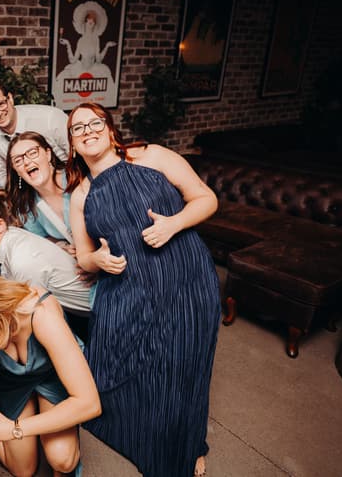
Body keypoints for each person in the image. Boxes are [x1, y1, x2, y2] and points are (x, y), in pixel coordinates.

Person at [66, 102, 220, 477]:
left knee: (183, 367)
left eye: (94, 122)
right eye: (77, 128)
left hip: (185, 279)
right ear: (71, 144)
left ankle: (185, 445)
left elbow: (206, 198)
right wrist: (98, 261)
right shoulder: (81, 194)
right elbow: (84, 256)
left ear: (109, 127)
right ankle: (141, 433)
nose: (87, 130)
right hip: (128, 290)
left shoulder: (151, 156)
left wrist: (174, 223)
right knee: (123, 366)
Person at [0, 275, 101, 477]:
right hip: (9, 380)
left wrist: (13, 429)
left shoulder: (42, 315)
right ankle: (2, 421)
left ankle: (33, 421)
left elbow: (90, 403)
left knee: (62, 459)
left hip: (51, 376)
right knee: (22, 471)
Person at [0, 193, 92, 340]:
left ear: (0, 226)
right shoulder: (9, 239)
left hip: (94, 313)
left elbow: (35, 319)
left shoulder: (22, 260)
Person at [0, 83, 69, 189]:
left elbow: (76, 157)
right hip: (27, 186)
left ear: (10, 99)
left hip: (65, 177)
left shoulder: (51, 117)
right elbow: (2, 176)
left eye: (0, 104)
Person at [5, 132, 74, 251]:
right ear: (16, 170)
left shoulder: (74, 179)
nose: (26, 162)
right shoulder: (25, 206)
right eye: (18, 161)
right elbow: (43, 238)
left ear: (48, 154)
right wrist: (62, 247)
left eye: (32, 153)